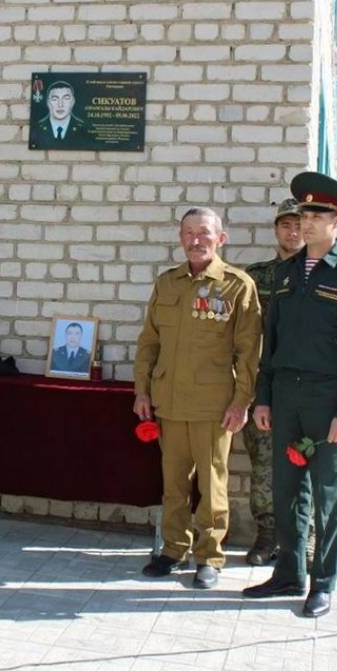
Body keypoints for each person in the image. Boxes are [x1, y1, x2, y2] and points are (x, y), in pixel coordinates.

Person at [243, 172, 337, 618]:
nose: (305, 222)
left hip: (327, 403)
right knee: (286, 491)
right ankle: (288, 572)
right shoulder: (285, 273)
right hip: (285, 397)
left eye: (316, 214)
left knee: (328, 494)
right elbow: (272, 342)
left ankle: (322, 582)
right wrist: (263, 397)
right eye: (303, 213)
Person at [133, 208, 261, 588]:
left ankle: (210, 556)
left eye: (204, 233)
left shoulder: (237, 286)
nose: (195, 240)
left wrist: (242, 401)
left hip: (214, 406)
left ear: (220, 239)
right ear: (179, 237)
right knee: (173, 482)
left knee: (212, 482)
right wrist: (142, 390)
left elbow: (249, 351)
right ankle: (173, 549)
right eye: (188, 233)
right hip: (169, 401)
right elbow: (149, 341)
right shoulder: (167, 282)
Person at [240, 198, 310, 566]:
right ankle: (267, 537)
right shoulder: (256, 277)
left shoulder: (321, 275)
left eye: (299, 224)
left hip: (304, 390)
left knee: (306, 463)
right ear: (276, 230)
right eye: (285, 225)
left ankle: (303, 539)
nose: (293, 231)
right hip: (262, 389)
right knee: (264, 466)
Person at [32, 80, 90, 146]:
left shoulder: (84, 128)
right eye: (55, 99)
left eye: (66, 98)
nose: (60, 104)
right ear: (48, 102)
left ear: (73, 102)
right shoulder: (37, 128)